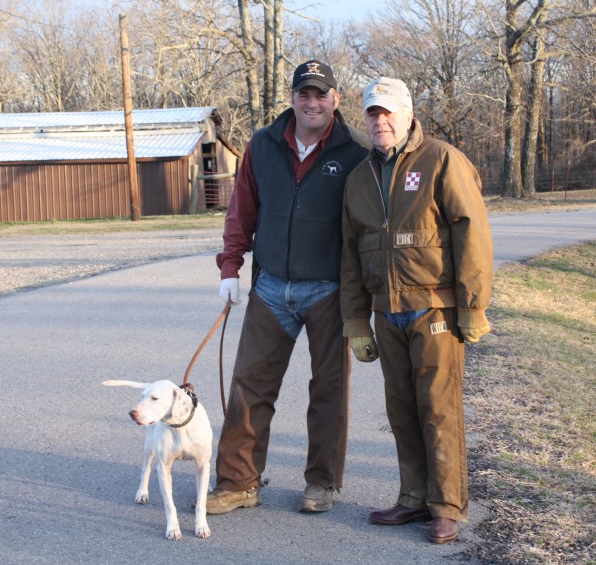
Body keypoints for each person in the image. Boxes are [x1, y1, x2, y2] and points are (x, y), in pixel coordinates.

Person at [209, 60, 370, 515]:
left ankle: (321, 482)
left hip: (329, 289)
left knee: (329, 389)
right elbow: (242, 210)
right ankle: (238, 482)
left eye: (321, 94)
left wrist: (367, 290)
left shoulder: (357, 151)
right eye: (304, 94)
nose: (312, 103)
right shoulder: (263, 145)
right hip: (271, 286)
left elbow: (369, 223)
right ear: (293, 98)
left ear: (335, 99)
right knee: (249, 385)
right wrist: (230, 267)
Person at [340, 77, 493, 544]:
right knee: (402, 408)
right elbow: (350, 253)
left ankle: (446, 505)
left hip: (436, 308)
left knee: (438, 408)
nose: (380, 121)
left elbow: (472, 233)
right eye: (373, 113)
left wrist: (473, 304)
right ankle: (413, 497)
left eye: (388, 112)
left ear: (408, 114)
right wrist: (356, 320)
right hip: (386, 312)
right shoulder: (358, 178)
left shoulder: (442, 160)